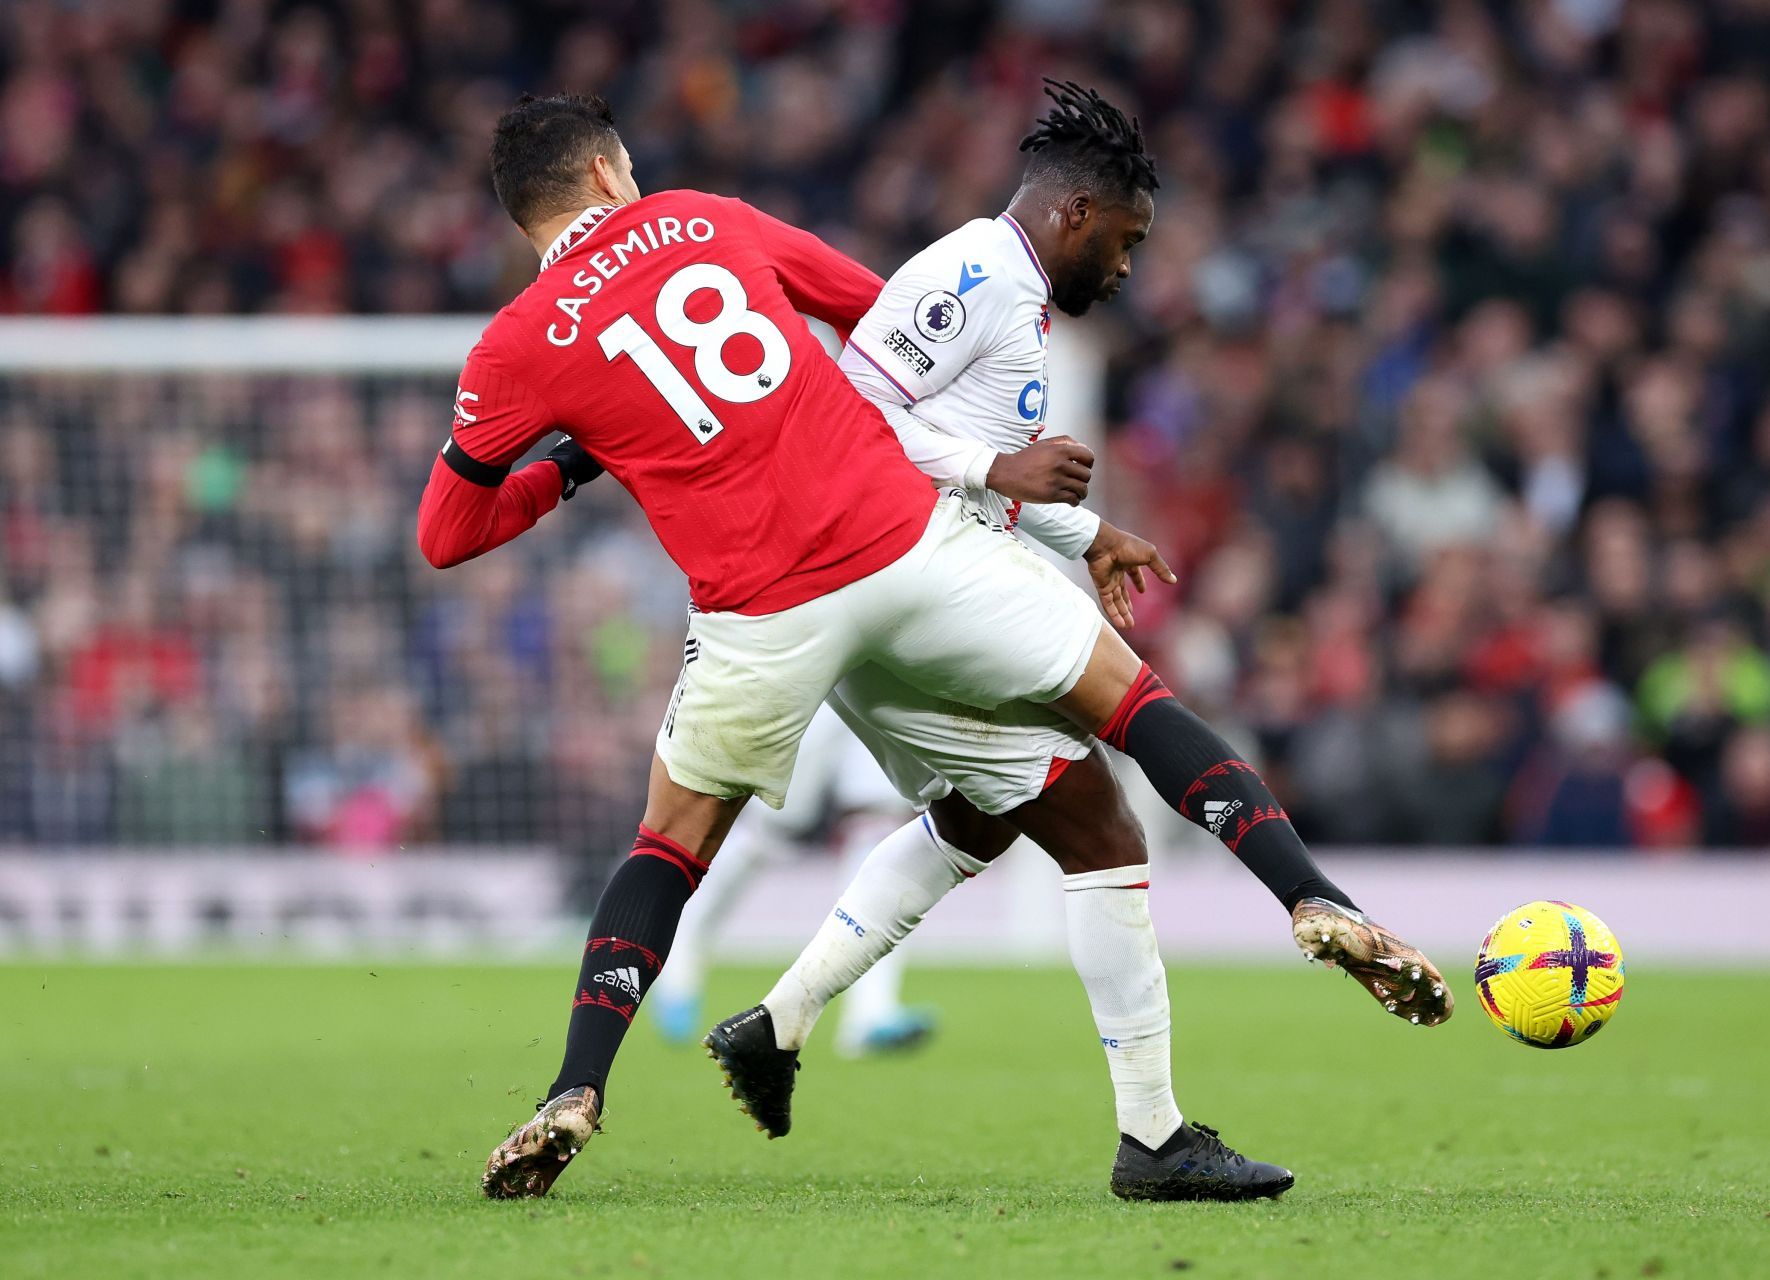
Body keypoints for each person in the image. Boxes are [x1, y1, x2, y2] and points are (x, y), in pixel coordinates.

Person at [421, 90, 1447, 1203]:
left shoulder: (516, 347)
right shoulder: (709, 217)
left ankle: (576, 1088)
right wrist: (997, 473)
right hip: (900, 547)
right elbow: (870, 318)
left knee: (670, 849)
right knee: (1129, 705)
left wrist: (578, 460)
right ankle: (1307, 894)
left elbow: (448, 532)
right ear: (614, 172)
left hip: (762, 611)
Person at [647, 711, 935, 1057]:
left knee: (876, 823)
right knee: (772, 823)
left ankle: (871, 1012)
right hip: (817, 676)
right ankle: (679, 957)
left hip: (885, 675)